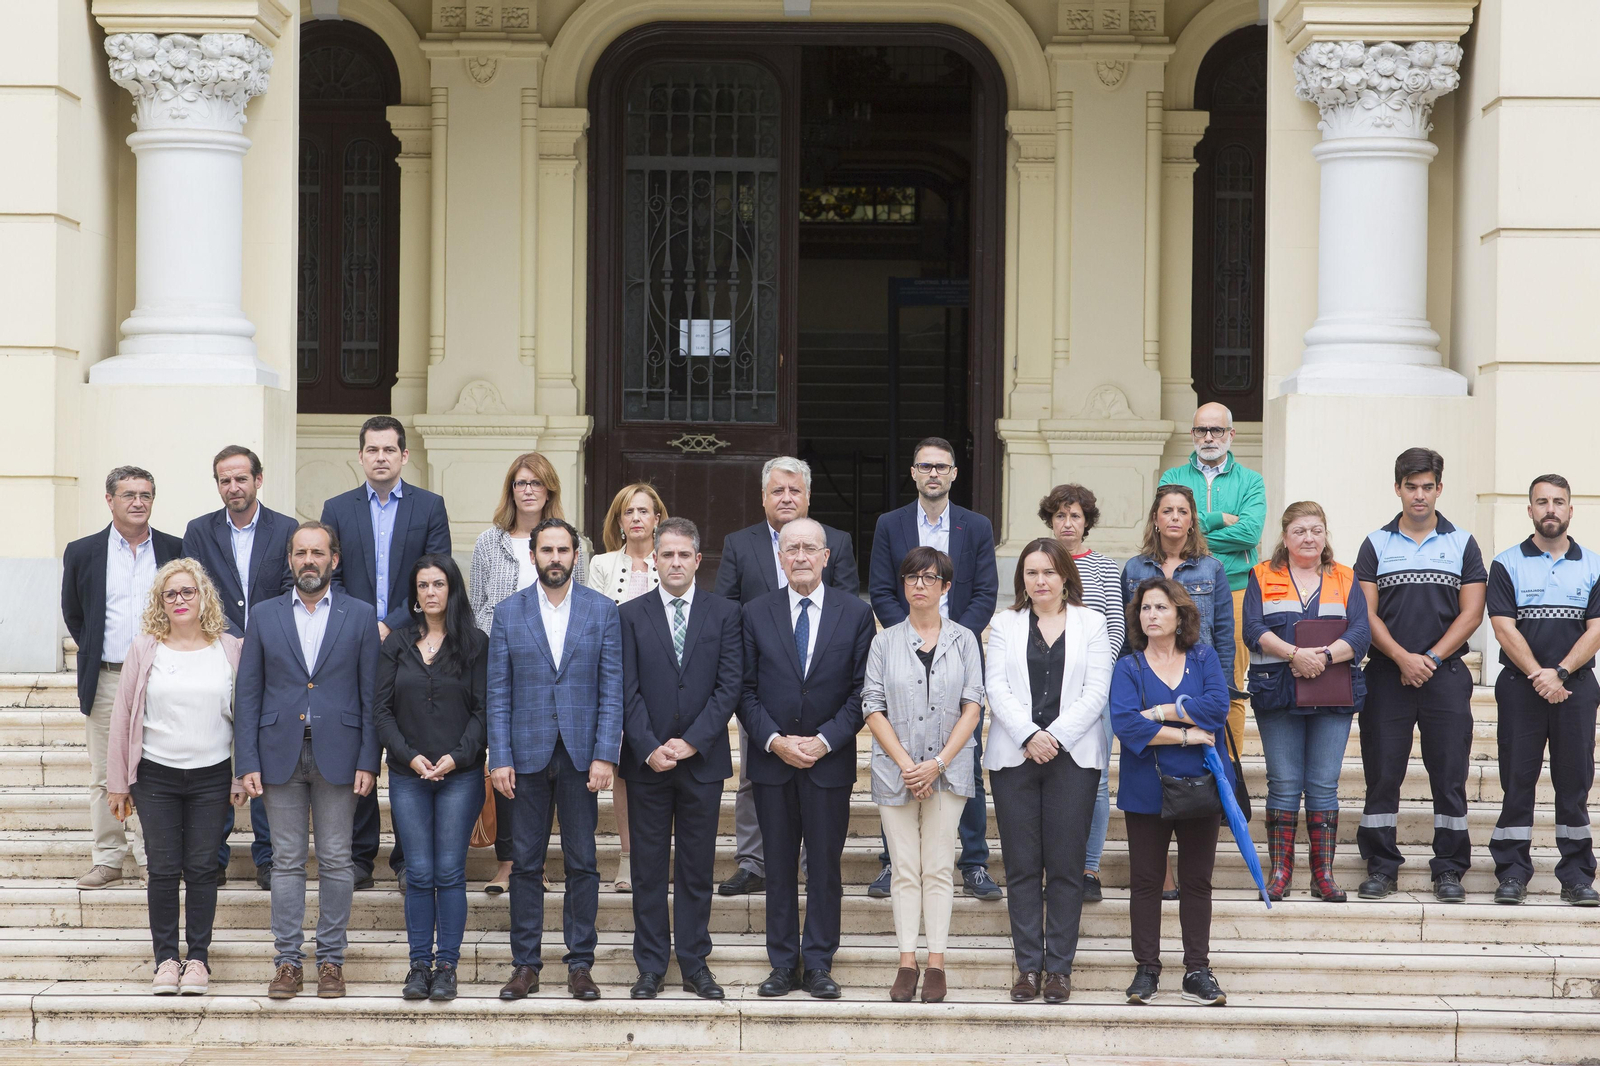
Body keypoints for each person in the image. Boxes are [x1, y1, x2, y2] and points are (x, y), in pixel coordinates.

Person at [234, 521, 380, 999]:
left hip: (340, 753)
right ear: (290, 560)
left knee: (337, 859)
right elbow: (248, 693)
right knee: (286, 860)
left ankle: (332, 960)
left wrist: (369, 759)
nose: (309, 561)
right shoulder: (265, 614)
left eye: (318, 553)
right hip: (279, 753)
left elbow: (371, 694)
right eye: (301, 553)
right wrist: (246, 760)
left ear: (334, 560)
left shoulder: (360, 615)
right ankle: (288, 962)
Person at [739, 517, 875, 1000]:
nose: (800, 556)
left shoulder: (855, 613)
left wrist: (824, 741)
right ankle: (782, 964)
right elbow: (744, 690)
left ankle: (817, 962)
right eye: (791, 548)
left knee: (824, 867)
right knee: (777, 867)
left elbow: (862, 692)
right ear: (780, 557)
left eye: (809, 548)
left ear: (826, 557)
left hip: (828, 764)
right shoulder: (755, 612)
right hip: (772, 763)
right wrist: (775, 741)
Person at [488, 518, 622, 1003]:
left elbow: (612, 688)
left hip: (582, 755)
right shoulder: (508, 612)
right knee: (525, 863)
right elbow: (498, 691)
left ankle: (580, 964)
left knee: (583, 861)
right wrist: (499, 757)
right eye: (547, 550)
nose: (556, 558)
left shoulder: (602, 610)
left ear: (576, 556)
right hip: (524, 754)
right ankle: (525, 964)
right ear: (533, 557)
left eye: (564, 550)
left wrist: (606, 753)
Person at [713, 456, 859, 898]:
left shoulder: (836, 541)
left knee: (817, 795)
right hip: (762, 685)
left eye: (795, 490)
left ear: (808, 497)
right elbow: (726, 609)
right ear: (763, 497)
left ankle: (813, 863)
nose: (787, 497)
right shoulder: (740, 544)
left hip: (822, 687)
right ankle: (754, 862)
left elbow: (846, 608)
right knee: (753, 778)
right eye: (777, 490)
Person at [865, 437, 1001, 903]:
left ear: (954, 473)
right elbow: (881, 588)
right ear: (913, 473)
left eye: (941, 467)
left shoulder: (976, 526)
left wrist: (952, 637)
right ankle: (893, 862)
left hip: (959, 653)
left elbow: (985, 592)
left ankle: (974, 862)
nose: (934, 474)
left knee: (965, 757)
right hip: (904, 652)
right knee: (899, 754)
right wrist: (908, 635)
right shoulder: (890, 524)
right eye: (925, 466)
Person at [320, 415, 451, 890]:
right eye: (372, 450)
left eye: (389, 449)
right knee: (358, 742)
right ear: (360, 456)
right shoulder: (338, 508)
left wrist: (390, 623)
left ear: (404, 455)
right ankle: (359, 857)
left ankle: (407, 858)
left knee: (408, 742)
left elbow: (436, 571)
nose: (380, 457)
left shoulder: (429, 506)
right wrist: (361, 622)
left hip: (411, 643)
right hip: (351, 643)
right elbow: (330, 575)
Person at [106, 559, 246, 995]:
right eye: (170, 593)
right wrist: (118, 782)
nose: (180, 600)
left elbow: (244, 716)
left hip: (211, 775)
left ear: (203, 596)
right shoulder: (145, 647)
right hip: (156, 776)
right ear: (160, 602)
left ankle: (198, 959)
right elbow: (123, 715)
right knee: (164, 869)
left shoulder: (229, 648)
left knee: (203, 867)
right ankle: (166, 959)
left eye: (188, 591)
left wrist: (240, 777)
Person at [1354, 448, 1485, 902]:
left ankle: (1449, 870)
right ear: (1398, 488)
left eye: (1428, 487)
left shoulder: (1463, 543)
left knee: (1449, 775)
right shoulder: (1376, 544)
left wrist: (1428, 658)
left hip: (1445, 675)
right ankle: (1381, 867)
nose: (1419, 495)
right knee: (1382, 773)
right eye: (1411, 487)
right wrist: (1401, 658)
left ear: (1439, 489)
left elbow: (1472, 613)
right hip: (1386, 675)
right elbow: (1365, 614)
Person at [984, 538, 1111, 1004]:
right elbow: (996, 686)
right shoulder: (1004, 623)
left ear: (1065, 577)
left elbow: (1097, 690)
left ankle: (1058, 969)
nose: (1041, 580)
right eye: (1032, 572)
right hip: (1014, 757)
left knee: (1065, 866)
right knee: (1020, 866)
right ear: (1022, 578)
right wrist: (1028, 735)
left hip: (1073, 758)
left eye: (1049, 572)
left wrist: (1054, 736)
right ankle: (1027, 968)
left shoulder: (1091, 623)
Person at [617, 518, 740, 1001]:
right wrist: (649, 747)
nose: (674, 562)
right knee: (647, 869)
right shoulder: (630, 615)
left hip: (701, 763)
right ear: (654, 560)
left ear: (697, 560)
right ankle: (650, 966)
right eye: (666, 554)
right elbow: (625, 689)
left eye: (683, 554)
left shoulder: (724, 613)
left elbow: (729, 686)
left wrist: (692, 741)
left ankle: (694, 963)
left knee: (696, 868)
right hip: (646, 764)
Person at [862, 546, 985, 1003]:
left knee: (937, 867)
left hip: (948, 771)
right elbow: (872, 705)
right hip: (896, 770)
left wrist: (937, 764)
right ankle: (906, 961)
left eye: (929, 577)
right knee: (904, 869)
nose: (919, 585)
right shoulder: (884, 642)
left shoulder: (965, 640)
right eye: (912, 577)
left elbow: (973, 705)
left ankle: (936, 963)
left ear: (945, 586)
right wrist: (908, 765)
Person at [469, 451, 590, 895]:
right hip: (503, 663)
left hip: (556, 670)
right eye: (521, 483)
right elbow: (478, 605)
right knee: (506, 760)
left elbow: (582, 605)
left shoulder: (573, 542)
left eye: (536, 482)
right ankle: (510, 862)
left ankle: (534, 860)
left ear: (549, 489)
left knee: (552, 763)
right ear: (511, 490)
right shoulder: (489, 542)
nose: (528, 490)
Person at [1110, 577, 1231, 1007]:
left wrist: (1161, 711)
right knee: (1145, 881)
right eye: (1145, 608)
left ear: (1180, 615)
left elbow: (1218, 708)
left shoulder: (1203, 656)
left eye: (1161, 607)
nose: (1152, 615)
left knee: (1197, 881)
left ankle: (1197, 970)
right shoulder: (1128, 667)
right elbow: (1126, 724)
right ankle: (1147, 969)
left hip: (1201, 785)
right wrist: (1185, 734)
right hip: (1146, 787)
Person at [1242, 502, 1370, 902]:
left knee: (1323, 784)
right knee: (1283, 783)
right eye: (1299, 531)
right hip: (1277, 692)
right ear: (1285, 538)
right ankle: (1280, 873)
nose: (1309, 538)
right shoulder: (1262, 575)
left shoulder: (1345, 576)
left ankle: (1323, 875)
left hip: (1332, 693)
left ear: (1325, 534)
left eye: (1316, 530)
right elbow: (1252, 628)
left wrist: (1323, 658)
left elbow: (1361, 633)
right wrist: (1294, 654)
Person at [61, 465, 182, 889]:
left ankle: (154, 859)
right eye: (129, 494)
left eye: (145, 495)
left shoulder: (173, 549)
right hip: (108, 677)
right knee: (104, 773)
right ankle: (108, 858)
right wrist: (99, 651)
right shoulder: (83, 552)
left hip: (161, 676)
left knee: (154, 770)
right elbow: (75, 613)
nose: (138, 502)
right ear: (109, 499)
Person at [182, 444, 296, 891]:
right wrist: (232, 637)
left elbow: (289, 588)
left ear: (258, 480)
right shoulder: (199, 530)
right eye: (225, 480)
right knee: (216, 756)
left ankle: (269, 858)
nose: (233, 487)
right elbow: (197, 588)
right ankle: (212, 858)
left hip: (274, 658)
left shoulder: (285, 529)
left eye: (241, 478)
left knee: (266, 756)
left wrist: (260, 636)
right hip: (215, 654)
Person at [375, 554, 488, 1002]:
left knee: (449, 871)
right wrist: (410, 756)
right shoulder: (397, 644)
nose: (430, 592)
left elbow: (483, 710)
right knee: (419, 872)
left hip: (461, 775)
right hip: (408, 774)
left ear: (452, 589)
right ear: (415, 595)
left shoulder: (475, 644)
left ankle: (447, 966)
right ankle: (419, 964)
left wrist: (457, 758)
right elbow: (381, 710)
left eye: (438, 584)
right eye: (422, 585)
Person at [1487, 475, 1600, 906]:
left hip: (1577, 688)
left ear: (1570, 509)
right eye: (1541, 502)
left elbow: (1597, 628)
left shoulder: (1594, 565)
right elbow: (1503, 627)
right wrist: (1540, 675)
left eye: (1558, 501)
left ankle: (1577, 876)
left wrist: (1562, 673)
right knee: (1517, 781)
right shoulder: (1506, 563)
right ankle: (1512, 873)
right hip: (1521, 688)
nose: (1550, 509)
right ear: (1530, 510)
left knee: (1574, 784)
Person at [1159, 402, 1266, 754]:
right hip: (1176, 590)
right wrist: (1220, 518)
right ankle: (1180, 761)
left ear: (1231, 434)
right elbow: (1167, 527)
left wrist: (1193, 530)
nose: (1208, 437)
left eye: (1216, 430)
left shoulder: (1251, 481)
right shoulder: (1171, 478)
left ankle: (1229, 765)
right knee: (1173, 680)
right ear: (1192, 434)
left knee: (1229, 685)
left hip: (1235, 592)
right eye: (1201, 430)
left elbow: (1250, 534)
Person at [1042, 483, 1126, 904]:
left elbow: (1116, 626)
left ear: (1086, 521)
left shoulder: (1105, 568)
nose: (1067, 523)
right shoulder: (1039, 564)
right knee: (1049, 780)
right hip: (1046, 690)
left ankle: (1089, 867)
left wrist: (1095, 680)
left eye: (1075, 515)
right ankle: (1054, 867)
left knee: (1093, 780)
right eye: (1060, 515)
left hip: (1096, 692)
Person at [587, 481, 671, 894]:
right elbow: (594, 621)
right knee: (622, 771)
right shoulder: (602, 564)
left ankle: (661, 857)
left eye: (643, 511)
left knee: (663, 767)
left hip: (664, 681)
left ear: (657, 518)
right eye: (628, 512)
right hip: (616, 678)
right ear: (618, 521)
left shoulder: (672, 559)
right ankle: (628, 856)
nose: (636, 518)